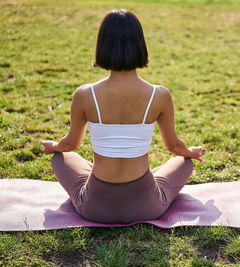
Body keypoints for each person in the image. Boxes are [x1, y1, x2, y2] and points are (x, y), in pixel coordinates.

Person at [41, 9, 202, 224]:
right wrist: (191, 152)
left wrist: (52, 146)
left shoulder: (84, 94)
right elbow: (173, 146)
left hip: (95, 208)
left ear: (102, 46)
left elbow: (71, 144)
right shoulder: (159, 95)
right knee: (185, 162)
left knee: (60, 157)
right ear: (140, 45)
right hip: (147, 207)